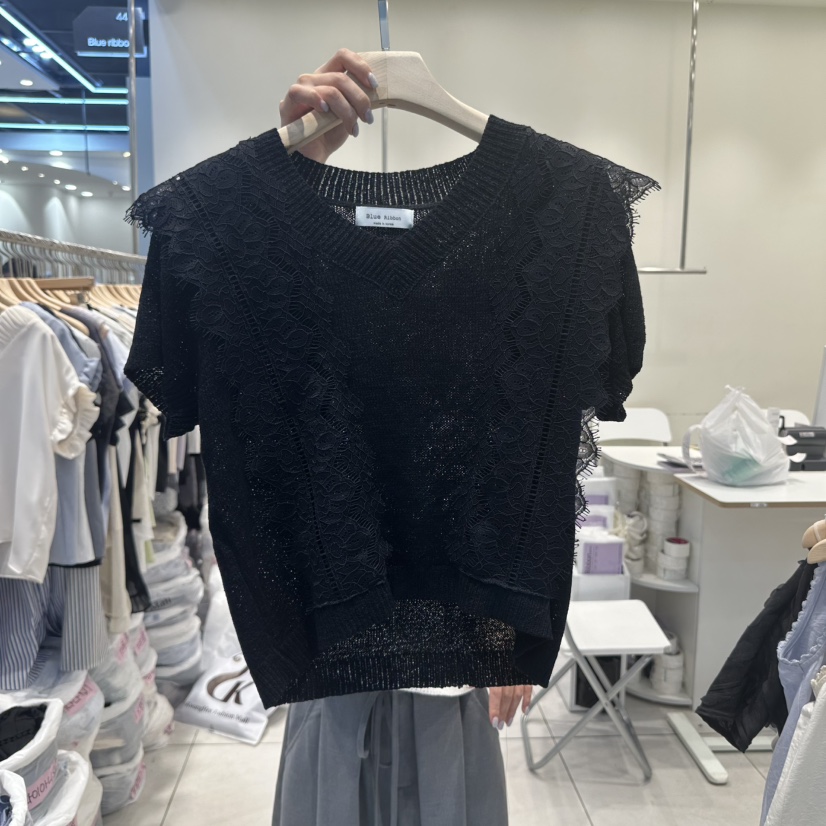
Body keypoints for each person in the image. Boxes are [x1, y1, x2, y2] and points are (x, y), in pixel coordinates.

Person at [272, 48, 533, 826]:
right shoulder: (281, 278)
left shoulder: (501, 278)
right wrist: (291, 168)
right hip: (328, 656)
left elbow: (529, 463)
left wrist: (520, 623)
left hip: (452, 659)